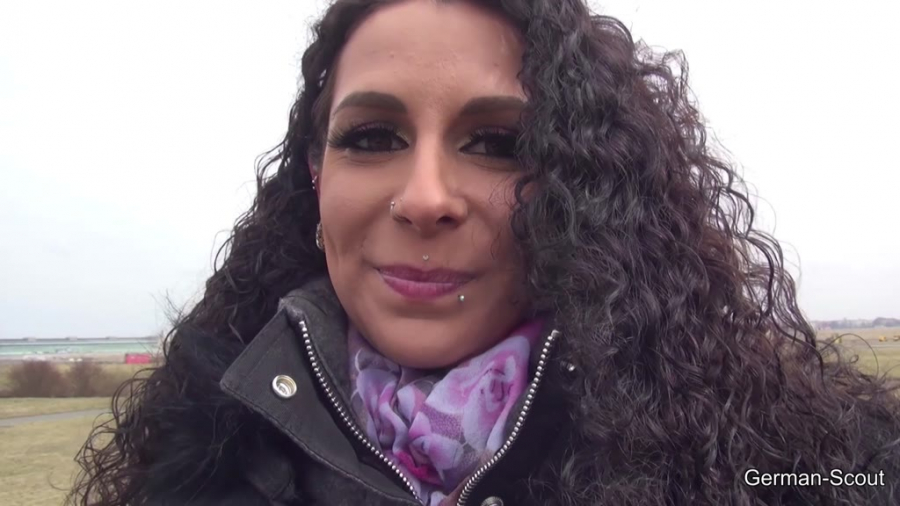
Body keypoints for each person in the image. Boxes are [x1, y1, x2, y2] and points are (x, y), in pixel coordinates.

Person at [70, 0, 900, 505]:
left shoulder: (802, 466)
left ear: (587, 188)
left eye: (499, 144)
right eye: (373, 137)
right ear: (317, 177)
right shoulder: (193, 458)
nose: (425, 197)